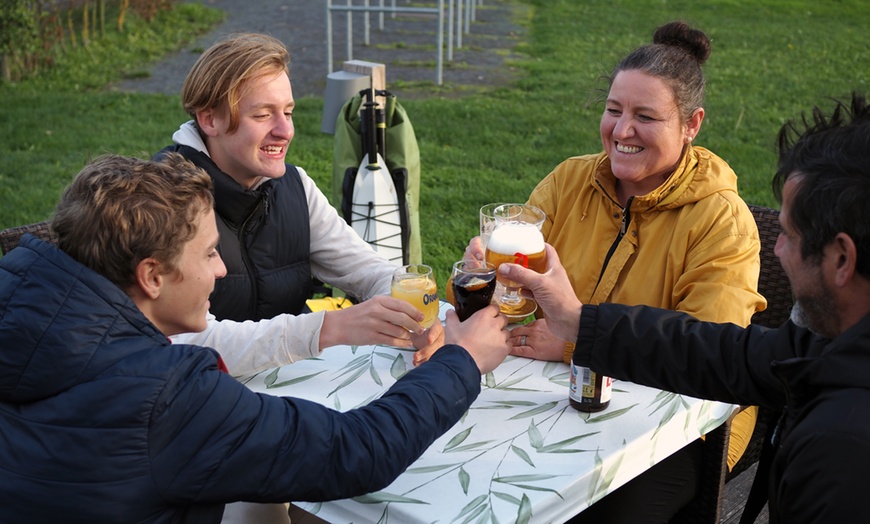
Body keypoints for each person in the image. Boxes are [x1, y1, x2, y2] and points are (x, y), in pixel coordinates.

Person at [0, 153, 511, 523]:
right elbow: (357, 451)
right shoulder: (168, 397)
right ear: (152, 276)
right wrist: (462, 361)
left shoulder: (21, 310)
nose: (221, 270)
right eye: (207, 254)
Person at [502, 92, 870, 523]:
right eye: (614, 110)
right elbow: (721, 352)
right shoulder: (827, 349)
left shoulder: (843, 453)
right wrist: (580, 324)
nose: (777, 248)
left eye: (788, 235)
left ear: (842, 259)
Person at [457, 21, 764, 523]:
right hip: (554, 390)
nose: (621, 131)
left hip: (679, 426)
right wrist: (486, 280)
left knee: (586, 511)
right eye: (613, 110)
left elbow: (707, 354)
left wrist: (576, 343)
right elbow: (519, 299)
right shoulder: (570, 180)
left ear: (692, 124)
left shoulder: (720, 219)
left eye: (645, 116)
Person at [153, 33, 441, 376]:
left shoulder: (294, 186)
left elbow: (368, 270)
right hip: (192, 399)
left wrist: (429, 315)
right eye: (263, 115)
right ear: (209, 119)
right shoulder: (161, 200)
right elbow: (184, 342)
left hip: (283, 387)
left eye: (288, 112)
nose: (285, 130)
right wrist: (328, 328)